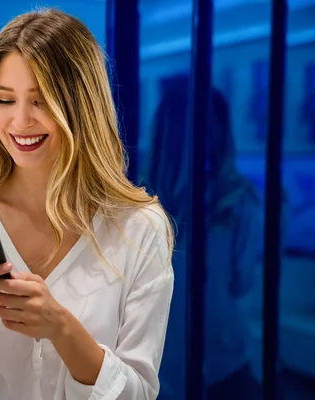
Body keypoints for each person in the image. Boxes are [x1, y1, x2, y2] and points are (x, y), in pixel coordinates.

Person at [0, 9, 174, 400]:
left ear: (81, 107)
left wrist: (61, 328)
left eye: (42, 101)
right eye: (5, 99)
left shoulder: (138, 228)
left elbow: (137, 393)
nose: (20, 121)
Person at [145, 78, 263, 399]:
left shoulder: (235, 200)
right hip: (189, 364)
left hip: (213, 368)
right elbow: (242, 283)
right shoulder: (235, 200)